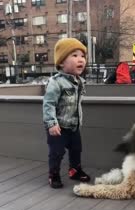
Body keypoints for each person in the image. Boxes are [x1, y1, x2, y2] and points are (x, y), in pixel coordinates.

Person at [42, 38, 91, 188]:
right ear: (62, 62)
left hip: (74, 126)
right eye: (75, 55)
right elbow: (48, 104)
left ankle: (75, 170)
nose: (80, 59)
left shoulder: (79, 81)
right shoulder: (56, 82)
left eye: (82, 56)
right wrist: (51, 124)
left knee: (76, 149)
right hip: (58, 127)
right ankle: (54, 174)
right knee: (57, 153)